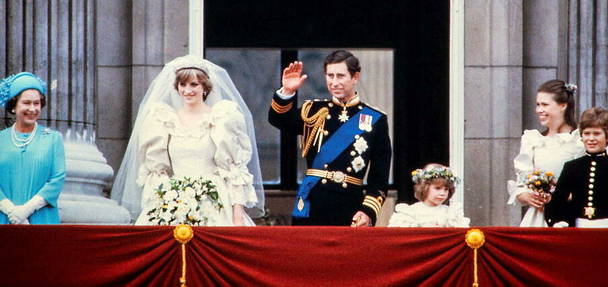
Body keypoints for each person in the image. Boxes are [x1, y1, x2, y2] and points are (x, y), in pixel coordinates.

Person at [111, 55, 264, 226]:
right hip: (173, 201)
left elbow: (233, 171)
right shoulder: (163, 120)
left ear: (205, 88)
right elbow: (157, 172)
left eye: (194, 84)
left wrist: (237, 215)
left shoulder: (222, 119)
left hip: (215, 203)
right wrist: (162, 204)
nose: (187, 90)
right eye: (182, 84)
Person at [268, 50, 392, 226]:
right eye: (330, 76)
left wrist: (367, 211)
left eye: (340, 76)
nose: (334, 82)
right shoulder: (313, 110)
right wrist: (287, 92)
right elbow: (279, 120)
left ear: (355, 77)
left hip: (350, 204)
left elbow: (379, 176)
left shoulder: (375, 119)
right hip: (313, 202)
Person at [507, 79, 584, 227]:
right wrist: (526, 196)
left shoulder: (578, 140)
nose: (538, 110)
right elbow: (522, 182)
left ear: (563, 106)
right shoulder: (533, 140)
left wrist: (560, 196)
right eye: (538, 104)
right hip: (539, 218)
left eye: (544, 105)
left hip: (570, 216)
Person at [545, 107, 608, 228]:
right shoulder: (571, 167)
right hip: (576, 228)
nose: (591, 139)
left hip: (607, 228)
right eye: (587, 133)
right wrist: (557, 222)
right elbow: (556, 202)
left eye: (597, 134)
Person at [0, 72, 66, 224]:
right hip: (4, 218)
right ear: (13, 106)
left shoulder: (53, 139)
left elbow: (56, 179)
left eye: (36, 103)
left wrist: (26, 210)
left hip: (41, 219)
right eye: (26, 103)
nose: (32, 108)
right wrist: (12, 211)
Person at [388, 164, 469, 227]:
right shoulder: (410, 212)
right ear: (425, 188)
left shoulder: (451, 214)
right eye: (437, 188)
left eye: (446, 189)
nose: (442, 193)